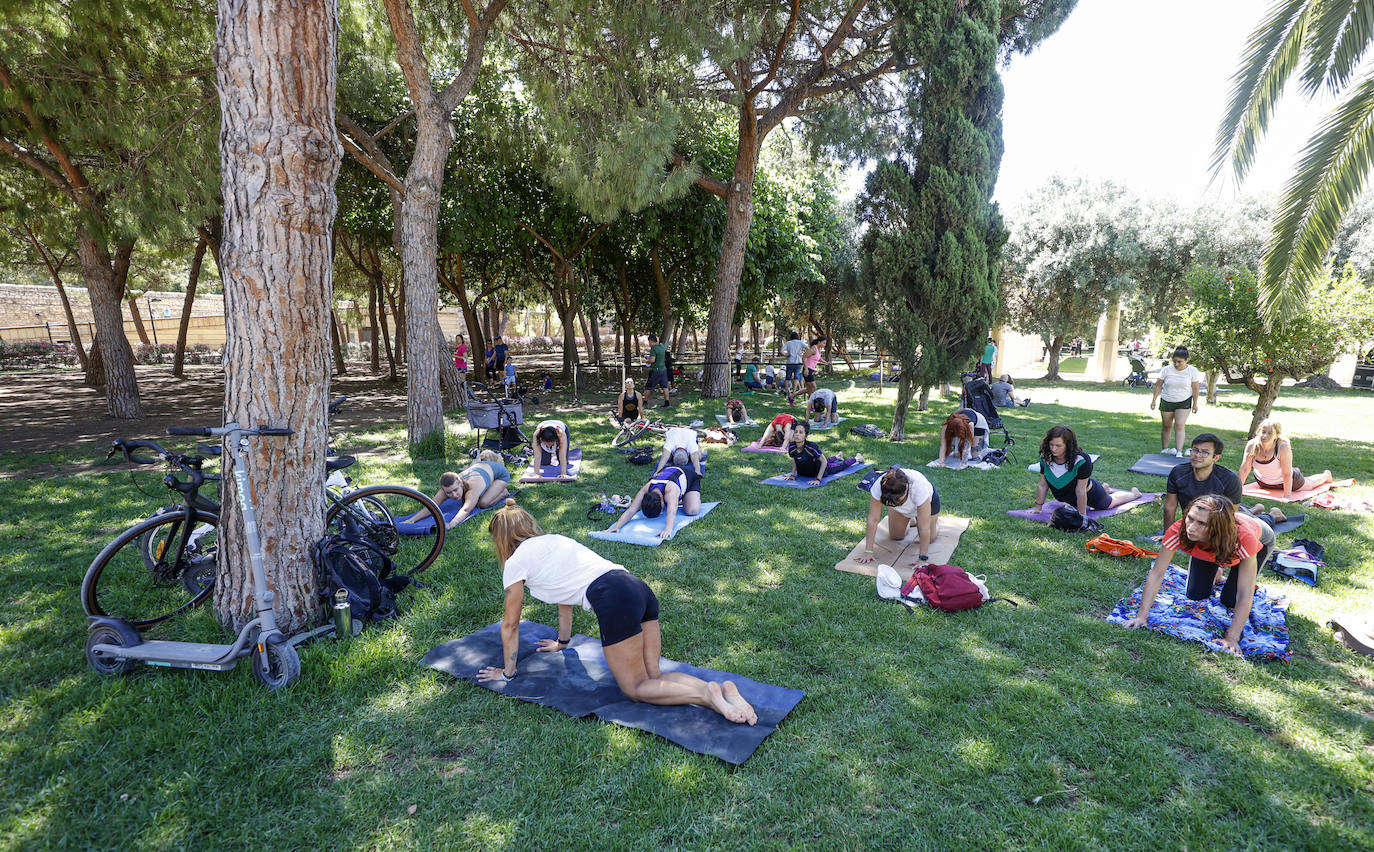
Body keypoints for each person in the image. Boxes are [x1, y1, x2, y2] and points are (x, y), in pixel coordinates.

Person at [476, 501, 756, 724]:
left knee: (635, 689)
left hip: (614, 598)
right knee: (652, 677)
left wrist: (508, 673)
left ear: (500, 540)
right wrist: (562, 643)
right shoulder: (554, 541)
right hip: (637, 587)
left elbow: (511, 625)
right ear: (527, 525)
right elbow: (565, 599)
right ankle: (720, 689)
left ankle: (708, 694)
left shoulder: (515, 563)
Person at [1120, 494, 1275, 655]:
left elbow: (1245, 593)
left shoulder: (1244, 539)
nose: (1191, 527)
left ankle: (1271, 515)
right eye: (1190, 518)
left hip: (1258, 533)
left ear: (1216, 528)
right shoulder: (1179, 530)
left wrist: (1231, 638)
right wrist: (1141, 617)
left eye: (1201, 523)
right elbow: (1157, 573)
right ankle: (1218, 571)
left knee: (1230, 600)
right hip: (1212, 540)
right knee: (1195, 594)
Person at [1032, 425, 1140, 519]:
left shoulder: (1081, 459)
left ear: (1068, 445)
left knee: (1109, 503)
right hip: (1069, 499)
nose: (1053, 449)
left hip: (1090, 493)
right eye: (1051, 445)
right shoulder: (1046, 458)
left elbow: (1080, 490)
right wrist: (1037, 508)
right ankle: (1106, 489)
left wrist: (1082, 516)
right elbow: (1043, 485)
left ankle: (1134, 494)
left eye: (1058, 446)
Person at [855, 466, 942, 566]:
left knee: (929, 537)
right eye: (891, 501)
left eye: (898, 500)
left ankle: (934, 522)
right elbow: (873, 519)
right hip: (902, 511)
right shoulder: (878, 486)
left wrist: (922, 559)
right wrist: (868, 551)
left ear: (907, 489)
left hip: (928, 504)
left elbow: (924, 528)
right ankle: (911, 520)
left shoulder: (919, 488)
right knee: (896, 536)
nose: (894, 503)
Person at [1237, 418, 1334, 500]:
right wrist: (1238, 489)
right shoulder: (1252, 445)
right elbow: (1244, 469)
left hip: (1289, 482)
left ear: (1277, 435)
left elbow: (1287, 473)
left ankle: (1326, 475)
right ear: (1259, 431)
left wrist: (1287, 496)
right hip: (1263, 483)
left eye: (1270, 433)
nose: (1265, 436)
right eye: (1263, 432)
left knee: (1311, 485)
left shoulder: (1282, 447)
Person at [609, 464, 703, 539]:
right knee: (672, 502)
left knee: (692, 510)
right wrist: (617, 526)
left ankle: (684, 497)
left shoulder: (670, 491)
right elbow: (632, 509)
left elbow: (671, 512)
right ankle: (679, 499)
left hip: (689, 476)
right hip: (668, 471)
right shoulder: (646, 489)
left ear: (662, 502)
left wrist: (667, 530)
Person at [427, 450, 511, 529]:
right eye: (449, 493)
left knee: (482, 503)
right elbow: (430, 505)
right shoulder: (448, 485)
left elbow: (466, 509)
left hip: (500, 475)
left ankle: (503, 492)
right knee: (477, 497)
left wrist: (450, 524)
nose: (454, 495)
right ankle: (491, 486)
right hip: (482, 468)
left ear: (461, 484)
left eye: (456, 490)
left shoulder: (472, 487)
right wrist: (413, 520)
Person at [1150, 346, 1201, 456]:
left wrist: (1195, 404)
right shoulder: (1166, 370)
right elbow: (1158, 386)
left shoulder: (1192, 371)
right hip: (1167, 400)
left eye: (1179, 362)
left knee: (1179, 425)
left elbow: (1195, 388)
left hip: (1184, 401)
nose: (1176, 364)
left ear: (1187, 360)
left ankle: (1179, 451)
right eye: (1174, 362)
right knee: (1166, 426)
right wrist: (1154, 400)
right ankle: (1165, 449)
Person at [782, 421, 863, 485]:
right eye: (795, 432)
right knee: (821, 460)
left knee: (840, 465)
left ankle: (857, 458)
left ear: (806, 436)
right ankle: (837, 457)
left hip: (820, 470)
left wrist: (818, 479)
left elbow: (823, 461)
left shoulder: (811, 447)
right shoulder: (792, 446)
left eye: (800, 432)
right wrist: (792, 475)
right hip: (806, 472)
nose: (797, 435)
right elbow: (795, 459)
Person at [646, 333, 670, 408]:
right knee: (665, 387)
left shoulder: (653, 348)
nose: (649, 343)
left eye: (649, 342)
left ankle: (645, 401)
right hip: (663, 369)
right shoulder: (662, 346)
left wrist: (647, 361)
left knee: (648, 387)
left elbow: (652, 360)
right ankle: (667, 402)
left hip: (655, 370)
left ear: (651, 341)